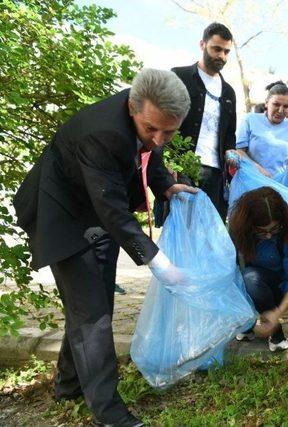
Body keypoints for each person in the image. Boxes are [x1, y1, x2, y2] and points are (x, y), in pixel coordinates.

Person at [12, 69, 197, 427]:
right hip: (62, 215)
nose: (159, 139)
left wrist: (165, 187)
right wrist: (159, 262)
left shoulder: (148, 117)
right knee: (93, 317)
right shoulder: (103, 132)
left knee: (94, 308)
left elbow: (149, 154)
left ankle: (68, 385)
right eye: (151, 129)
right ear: (132, 108)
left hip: (96, 215)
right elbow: (112, 208)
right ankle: (109, 414)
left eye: (169, 132)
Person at [228, 187, 288, 352]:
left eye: (274, 229)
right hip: (245, 284)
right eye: (262, 231)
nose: (269, 235)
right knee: (239, 278)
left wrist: (276, 315)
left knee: (251, 278)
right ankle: (248, 323)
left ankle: (276, 331)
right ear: (249, 225)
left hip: (276, 288)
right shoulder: (237, 231)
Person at [171, 22, 236, 220]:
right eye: (216, 49)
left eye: (226, 51)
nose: (221, 56)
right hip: (181, 168)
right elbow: (163, 122)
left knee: (210, 233)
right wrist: (167, 163)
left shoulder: (229, 92)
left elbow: (229, 135)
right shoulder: (179, 76)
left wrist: (231, 154)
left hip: (216, 173)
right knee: (180, 230)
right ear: (202, 44)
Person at [235, 81, 288, 177]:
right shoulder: (250, 119)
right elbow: (239, 151)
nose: (280, 110)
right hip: (250, 179)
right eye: (276, 104)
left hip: (282, 186)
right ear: (266, 103)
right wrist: (259, 170)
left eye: (286, 106)